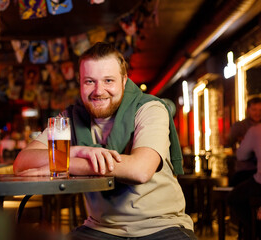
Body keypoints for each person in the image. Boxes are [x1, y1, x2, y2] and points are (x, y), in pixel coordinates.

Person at [13, 42, 195, 239]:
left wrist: (65, 164)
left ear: (124, 80)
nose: (99, 91)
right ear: (80, 82)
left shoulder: (150, 109)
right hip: (100, 229)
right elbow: (22, 162)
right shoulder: (70, 118)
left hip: (161, 226)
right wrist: (76, 151)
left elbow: (140, 170)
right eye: (90, 81)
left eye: (108, 80)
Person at [228, 124, 261, 239]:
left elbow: (241, 155)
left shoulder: (255, 130)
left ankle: (255, 229)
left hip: (259, 182)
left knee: (233, 197)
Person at [228, 97, 261, 186]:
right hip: (245, 169)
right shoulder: (239, 126)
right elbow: (229, 143)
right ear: (248, 110)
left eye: (260, 110)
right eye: (254, 110)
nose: (257, 113)